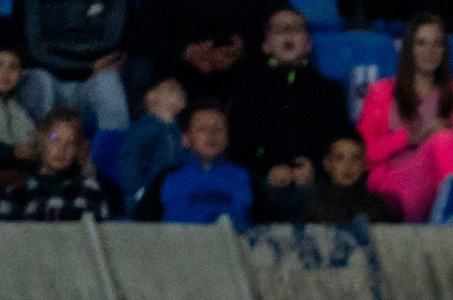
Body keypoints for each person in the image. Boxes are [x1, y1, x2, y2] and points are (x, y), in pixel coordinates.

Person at [359, 13, 453, 224]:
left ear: (444, 50)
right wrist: (407, 138)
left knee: (443, 141)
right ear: (408, 49)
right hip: (396, 187)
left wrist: (442, 132)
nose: (429, 52)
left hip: (446, 182)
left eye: (437, 44)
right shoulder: (381, 93)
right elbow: (362, 153)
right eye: (421, 43)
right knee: (442, 141)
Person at [226, 8, 342, 221]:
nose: (288, 35)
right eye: (280, 30)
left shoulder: (329, 90)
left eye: (296, 29)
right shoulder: (248, 88)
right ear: (266, 44)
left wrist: (314, 166)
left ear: (308, 43)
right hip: (262, 180)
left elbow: (335, 138)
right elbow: (237, 144)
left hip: (312, 181)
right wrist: (265, 170)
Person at [17, 0, 132, 134]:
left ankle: (110, 153)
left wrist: (52, 44)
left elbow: (111, 43)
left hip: (94, 79)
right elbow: (35, 51)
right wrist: (88, 67)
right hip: (50, 76)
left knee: (109, 82)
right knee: (40, 81)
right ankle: (40, 149)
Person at [135, 104, 254, 223]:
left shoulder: (245, 177)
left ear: (227, 138)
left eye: (218, 129)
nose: (211, 135)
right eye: (202, 129)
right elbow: (141, 225)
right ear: (185, 139)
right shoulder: (166, 178)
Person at [0, 106, 125, 219]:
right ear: (41, 139)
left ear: (77, 149)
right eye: (55, 139)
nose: (62, 149)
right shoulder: (20, 189)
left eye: (70, 143)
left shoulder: (89, 190)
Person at [115, 75, 189, 201]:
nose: (181, 92)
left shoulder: (179, 132)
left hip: (173, 194)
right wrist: (138, 191)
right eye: (171, 88)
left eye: (182, 89)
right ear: (151, 96)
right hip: (146, 197)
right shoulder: (145, 128)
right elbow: (131, 161)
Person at [303, 129, 403, 223]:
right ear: (327, 163)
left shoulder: (377, 207)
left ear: (365, 164)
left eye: (355, 158)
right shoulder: (311, 206)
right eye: (340, 158)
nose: (348, 165)